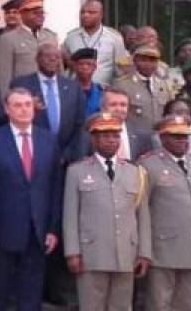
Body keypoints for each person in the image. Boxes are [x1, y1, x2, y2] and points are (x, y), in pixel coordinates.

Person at [0, 88, 62, 311]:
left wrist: (53, 228)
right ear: (6, 109)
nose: (24, 109)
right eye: (17, 105)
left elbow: (55, 186)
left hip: (38, 231)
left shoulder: (48, 140)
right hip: (2, 231)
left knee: (31, 294)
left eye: (28, 104)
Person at [63, 112, 151, 311]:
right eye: (105, 135)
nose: (111, 140)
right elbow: (70, 215)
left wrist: (144, 253)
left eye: (115, 135)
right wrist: (72, 253)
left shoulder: (134, 172)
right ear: (93, 139)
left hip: (126, 254)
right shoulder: (77, 171)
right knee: (92, 306)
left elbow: (142, 215)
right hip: (92, 254)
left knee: (121, 306)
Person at [140, 114, 191, 311]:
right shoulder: (149, 164)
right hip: (162, 250)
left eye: (185, 135)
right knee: (159, 304)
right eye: (175, 135)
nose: (182, 140)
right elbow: (142, 211)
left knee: (185, 304)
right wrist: (144, 250)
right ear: (162, 137)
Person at [10, 42, 86, 163]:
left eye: (56, 57)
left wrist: (68, 154)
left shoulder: (72, 87)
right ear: (37, 59)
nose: (52, 59)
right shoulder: (21, 84)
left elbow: (80, 124)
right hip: (33, 155)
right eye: (47, 56)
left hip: (66, 157)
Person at [0, 0, 59, 95]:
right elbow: (4, 79)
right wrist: (8, 104)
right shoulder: (8, 39)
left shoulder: (51, 37)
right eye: (35, 13)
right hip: (23, 99)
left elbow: (59, 72)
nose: (40, 16)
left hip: (50, 96)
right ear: (22, 14)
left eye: (42, 13)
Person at [62, 0, 128, 86]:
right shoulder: (71, 37)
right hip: (76, 89)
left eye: (91, 12)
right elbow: (64, 65)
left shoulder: (114, 38)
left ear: (101, 15)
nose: (85, 15)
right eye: (83, 12)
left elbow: (122, 69)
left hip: (103, 91)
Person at [113, 44, 173, 136]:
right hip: (133, 138)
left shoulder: (164, 85)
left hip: (160, 138)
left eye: (152, 60)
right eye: (143, 60)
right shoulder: (122, 85)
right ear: (135, 61)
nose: (148, 64)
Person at [72, 47, 104, 118]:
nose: (85, 67)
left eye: (89, 64)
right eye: (81, 64)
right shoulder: (65, 89)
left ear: (95, 67)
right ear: (74, 66)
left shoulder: (102, 91)